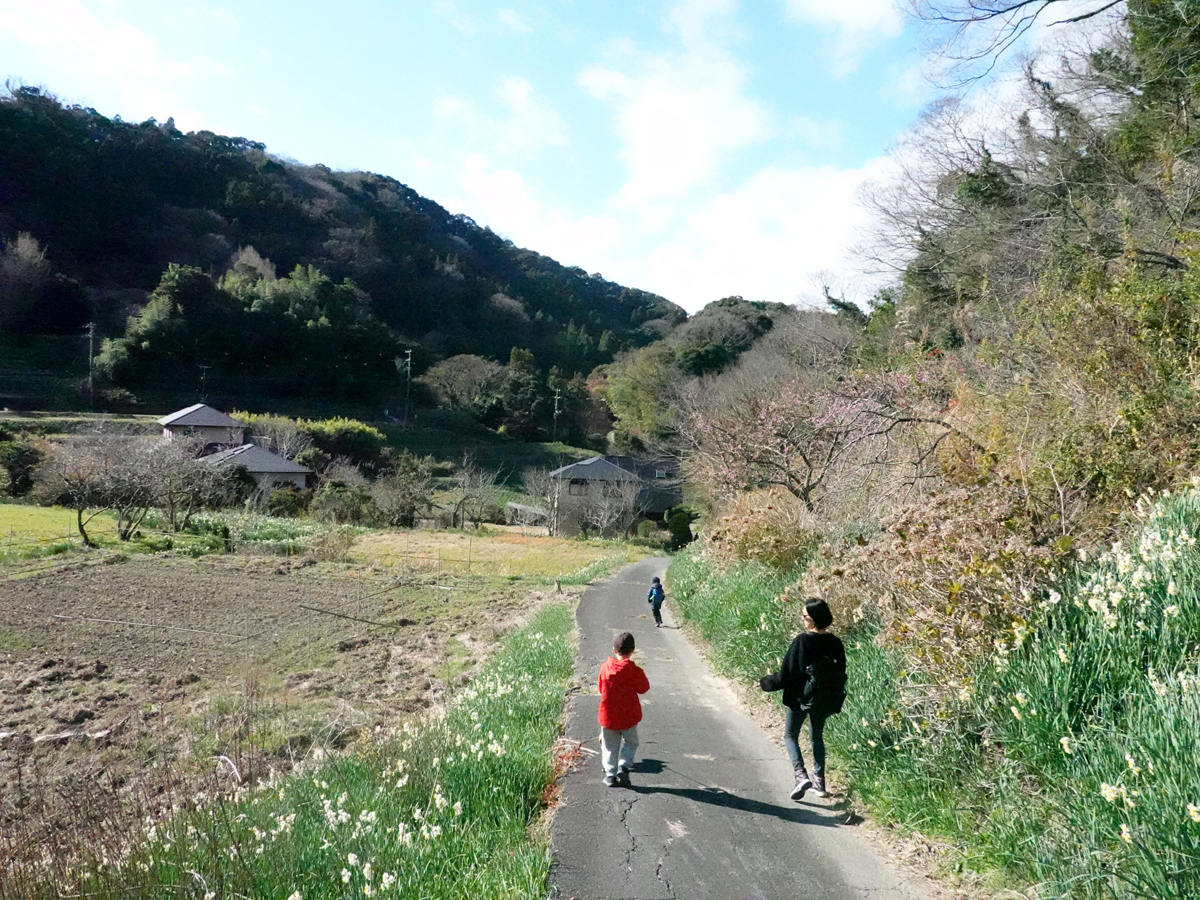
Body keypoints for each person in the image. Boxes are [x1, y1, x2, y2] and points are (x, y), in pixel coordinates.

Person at [759, 598, 846, 801]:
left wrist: (765, 683)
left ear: (814, 619)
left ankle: (800, 776)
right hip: (824, 698)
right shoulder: (836, 643)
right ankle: (820, 783)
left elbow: (786, 675)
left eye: (805, 616)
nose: (803, 619)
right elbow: (840, 673)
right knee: (817, 736)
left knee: (790, 735)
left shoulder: (803, 641)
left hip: (800, 697)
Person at [598, 631, 650, 787]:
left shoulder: (604, 668)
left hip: (608, 716)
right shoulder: (634, 671)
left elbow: (601, 688)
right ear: (632, 650)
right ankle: (624, 765)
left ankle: (610, 775)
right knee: (631, 742)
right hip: (629, 716)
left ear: (614, 650)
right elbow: (644, 688)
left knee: (609, 745)